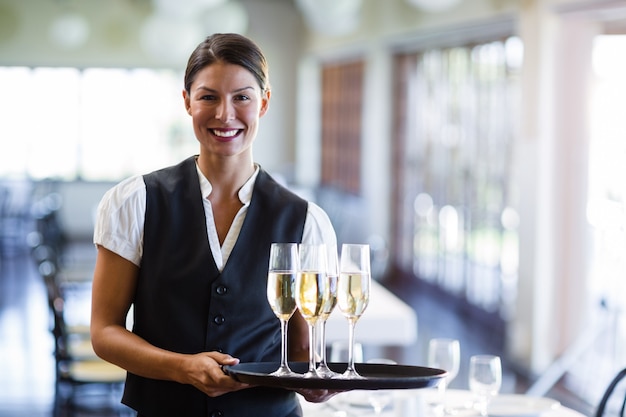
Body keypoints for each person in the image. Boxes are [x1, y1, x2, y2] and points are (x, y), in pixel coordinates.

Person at [90, 33, 337, 417]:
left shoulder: (306, 221)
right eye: (208, 97)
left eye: (242, 97)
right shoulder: (135, 202)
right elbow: (104, 333)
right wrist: (181, 367)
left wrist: (315, 382)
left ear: (264, 103)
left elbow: (304, 351)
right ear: (187, 101)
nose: (225, 114)